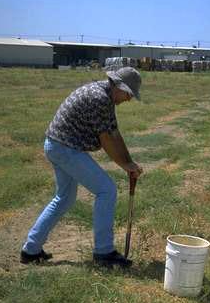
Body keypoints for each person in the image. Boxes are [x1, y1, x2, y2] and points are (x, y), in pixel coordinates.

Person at [20, 67, 143, 268]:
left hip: (58, 145)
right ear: (119, 86)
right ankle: (104, 252)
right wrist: (125, 165)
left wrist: (130, 163)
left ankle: (30, 251)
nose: (129, 99)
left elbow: (115, 134)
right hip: (64, 148)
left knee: (64, 198)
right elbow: (106, 141)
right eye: (129, 93)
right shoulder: (99, 98)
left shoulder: (106, 96)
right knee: (106, 190)